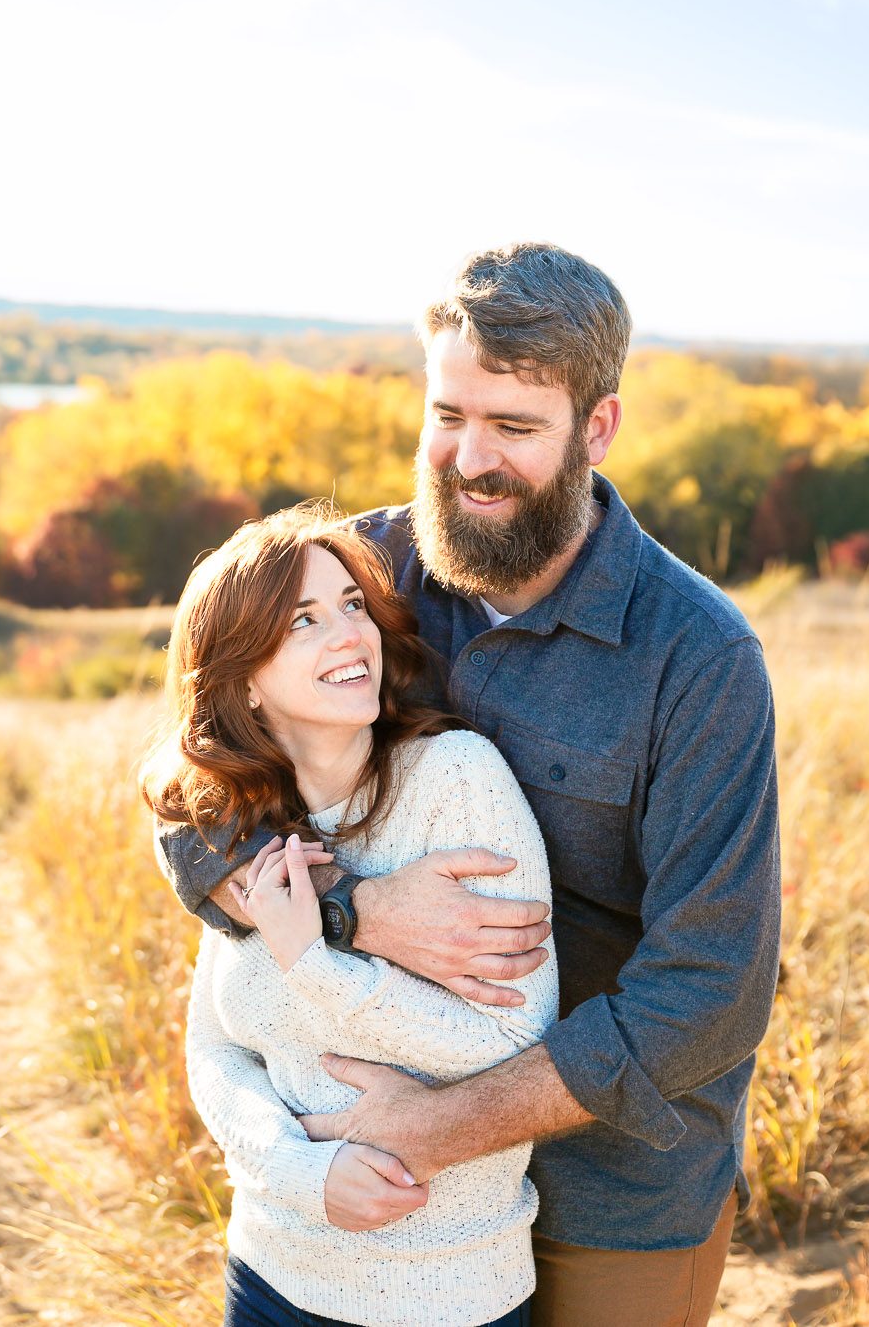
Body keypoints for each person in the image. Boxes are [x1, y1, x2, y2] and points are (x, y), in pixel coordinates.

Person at [159, 242, 782, 1327]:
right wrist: (352, 914)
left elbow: (712, 989)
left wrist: (445, 1124)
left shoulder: (698, 658)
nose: (467, 459)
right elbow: (191, 779)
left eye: (513, 427)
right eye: (447, 415)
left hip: (612, 1186)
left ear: (596, 428)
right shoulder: (354, 579)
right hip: (359, 1168)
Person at [145, 503, 560, 1326]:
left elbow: (514, 1039)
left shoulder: (456, 782)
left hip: (448, 1289)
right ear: (245, 685)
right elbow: (217, 1050)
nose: (348, 634)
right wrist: (299, 1174)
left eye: (352, 606)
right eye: (303, 621)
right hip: (270, 1272)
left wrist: (317, 966)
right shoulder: (242, 826)